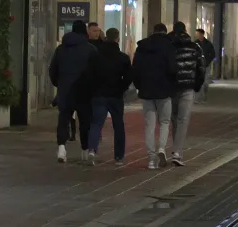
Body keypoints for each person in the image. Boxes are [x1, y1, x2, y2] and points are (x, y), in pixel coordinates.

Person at [50, 20, 98, 163]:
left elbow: (53, 70)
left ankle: (61, 148)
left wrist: (59, 84)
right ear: (85, 31)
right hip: (84, 91)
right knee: (84, 121)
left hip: (65, 90)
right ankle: (84, 150)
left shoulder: (60, 49)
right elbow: (96, 72)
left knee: (63, 119)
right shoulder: (90, 49)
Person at [133, 23, 177, 169]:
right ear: (165, 32)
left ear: (153, 31)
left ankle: (151, 159)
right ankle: (161, 149)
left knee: (149, 125)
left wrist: (139, 86)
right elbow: (172, 69)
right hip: (164, 90)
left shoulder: (142, 47)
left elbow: (136, 69)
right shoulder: (169, 47)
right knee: (165, 121)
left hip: (146, 90)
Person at [87, 28, 131, 166]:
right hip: (115, 95)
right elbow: (129, 77)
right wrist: (121, 88)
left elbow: (89, 74)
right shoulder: (123, 58)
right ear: (117, 39)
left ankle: (92, 150)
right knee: (118, 125)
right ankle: (118, 156)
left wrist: (93, 88)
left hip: (99, 94)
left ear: (105, 38)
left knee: (96, 123)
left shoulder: (95, 56)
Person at [169, 22, 205, 166]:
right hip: (188, 88)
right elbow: (201, 68)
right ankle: (177, 152)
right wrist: (196, 85)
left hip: (172, 88)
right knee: (183, 120)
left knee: (173, 118)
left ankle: (175, 148)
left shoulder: (170, 47)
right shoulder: (195, 47)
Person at [195, 29, 215, 103]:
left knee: (205, 82)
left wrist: (207, 61)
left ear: (202, 34)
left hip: (206, 66)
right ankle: (197, 98)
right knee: (198, 82)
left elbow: (213, 54)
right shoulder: (195, 43)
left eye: (197, 34)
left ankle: (203, 98)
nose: (196, 35)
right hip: (198, 66)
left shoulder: (208, 44)